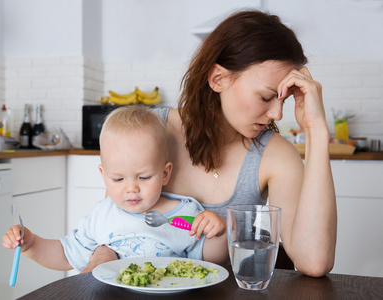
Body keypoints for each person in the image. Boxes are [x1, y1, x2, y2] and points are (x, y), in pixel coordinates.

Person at [86, 10, 337, 277]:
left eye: (283, 100)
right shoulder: (148, 132)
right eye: (266, 98)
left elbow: (314, 261)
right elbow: (111, 227)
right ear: (218, 79)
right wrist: (101, 254)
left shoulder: (275, 155)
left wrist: (317, 130)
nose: (277, 114)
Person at [2, 106, 228, 273]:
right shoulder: (103, 214)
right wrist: (31, 244)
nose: (131, 188)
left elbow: (209, 261)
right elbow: (65, 255)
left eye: (144, 177)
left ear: (165, 173)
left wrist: (217, 234)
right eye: (118, 179)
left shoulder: (185, 214)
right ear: (103, 175)